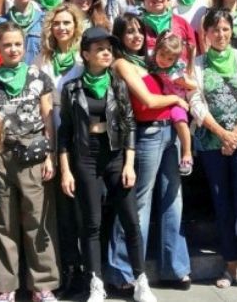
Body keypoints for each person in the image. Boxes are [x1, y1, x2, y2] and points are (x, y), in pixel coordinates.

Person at [58, 27, 157, 302]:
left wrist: (129, 163)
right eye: (99, 48)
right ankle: (95, 282)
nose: (106, 53)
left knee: (130, 220)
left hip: (114, 156)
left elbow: (128, 125)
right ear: (86, 53)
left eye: (108, 48)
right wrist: (65, 169)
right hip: (85, 157)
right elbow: (64, 132)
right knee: (91, 224)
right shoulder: (71, 88)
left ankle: (140, 280)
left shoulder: (118, 84)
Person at [106, 13, 191, 293]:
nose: (136, 36)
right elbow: (147, 100)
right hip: (147, 134)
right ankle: (123, 271)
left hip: (170, 132)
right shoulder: (122, 63)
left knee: (172, 200)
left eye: (139, 31)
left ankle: (174, 267)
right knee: (139, 203)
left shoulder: (151, 61)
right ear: (119, 36)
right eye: (129, 32)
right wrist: (178, 98)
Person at [188, 8, 237, 292]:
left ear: (231, 31)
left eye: (224, 29)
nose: (220, 35)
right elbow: (195, 103)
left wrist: (235, 132)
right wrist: (221, 133)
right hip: (212, 142)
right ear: (205, 33)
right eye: (214, 30)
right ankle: (231, 263)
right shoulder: (196, 64)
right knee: (222, 205)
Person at [0, 22, 61, 302]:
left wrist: (50, 155)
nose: (13, 49)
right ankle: (6, 285)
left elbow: (47, 117)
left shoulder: (38, 77)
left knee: (37, 219)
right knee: (4, 222)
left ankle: (42, 285)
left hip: (33, 153)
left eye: (17, 44)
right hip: (2, 154)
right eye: (7, 44)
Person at [33, 4, 86, 298]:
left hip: (81, 141)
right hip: (53, 139)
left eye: (67, 23)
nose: (62, 28)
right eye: (57, 24)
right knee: (62, 212)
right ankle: (69, 269)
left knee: (83, 210)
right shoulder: (43, 59)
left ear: (75, 26)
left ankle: (88, 269)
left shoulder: (83, 56)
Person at [150, 32, 195, 174]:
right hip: (162, 98)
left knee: (180, 122)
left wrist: (184, 83)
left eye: (170, 59)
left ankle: (187, 154)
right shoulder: (152, 61)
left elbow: (193, 85)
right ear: (157, 50)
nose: (164, 60)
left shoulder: (174, 73)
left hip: (177, 100)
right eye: (162, 55)